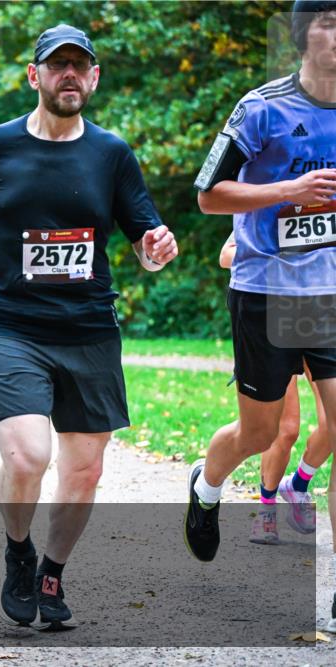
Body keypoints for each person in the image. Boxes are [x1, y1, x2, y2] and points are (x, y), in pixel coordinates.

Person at [0, 24, 178, 629]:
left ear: (93, 78)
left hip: (89, 328)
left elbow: (143, 241)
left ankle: (51, 572)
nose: (69, 75)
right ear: (34, 75)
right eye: (57, 65)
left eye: (80, 66)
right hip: (12, 324)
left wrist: (156, 250)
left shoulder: (112, 154)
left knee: (85, 469)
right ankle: (18, 550)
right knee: (27, 457)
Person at [185, 0, 336, 562]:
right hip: (267, 293)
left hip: (330, 295)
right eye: (328, 21)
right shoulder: (261, 109)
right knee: (260, 434)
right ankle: (207, 485)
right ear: (302, 35)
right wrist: (286, 192)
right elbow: (207, 195)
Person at [219, 233, 330, 544]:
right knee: (285, 429)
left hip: (321, 311)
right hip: (274, 312)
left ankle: (297, 484)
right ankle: (266, 509)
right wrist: (273, 256)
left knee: (331, 424)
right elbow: (226, 256)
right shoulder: (269, 195)